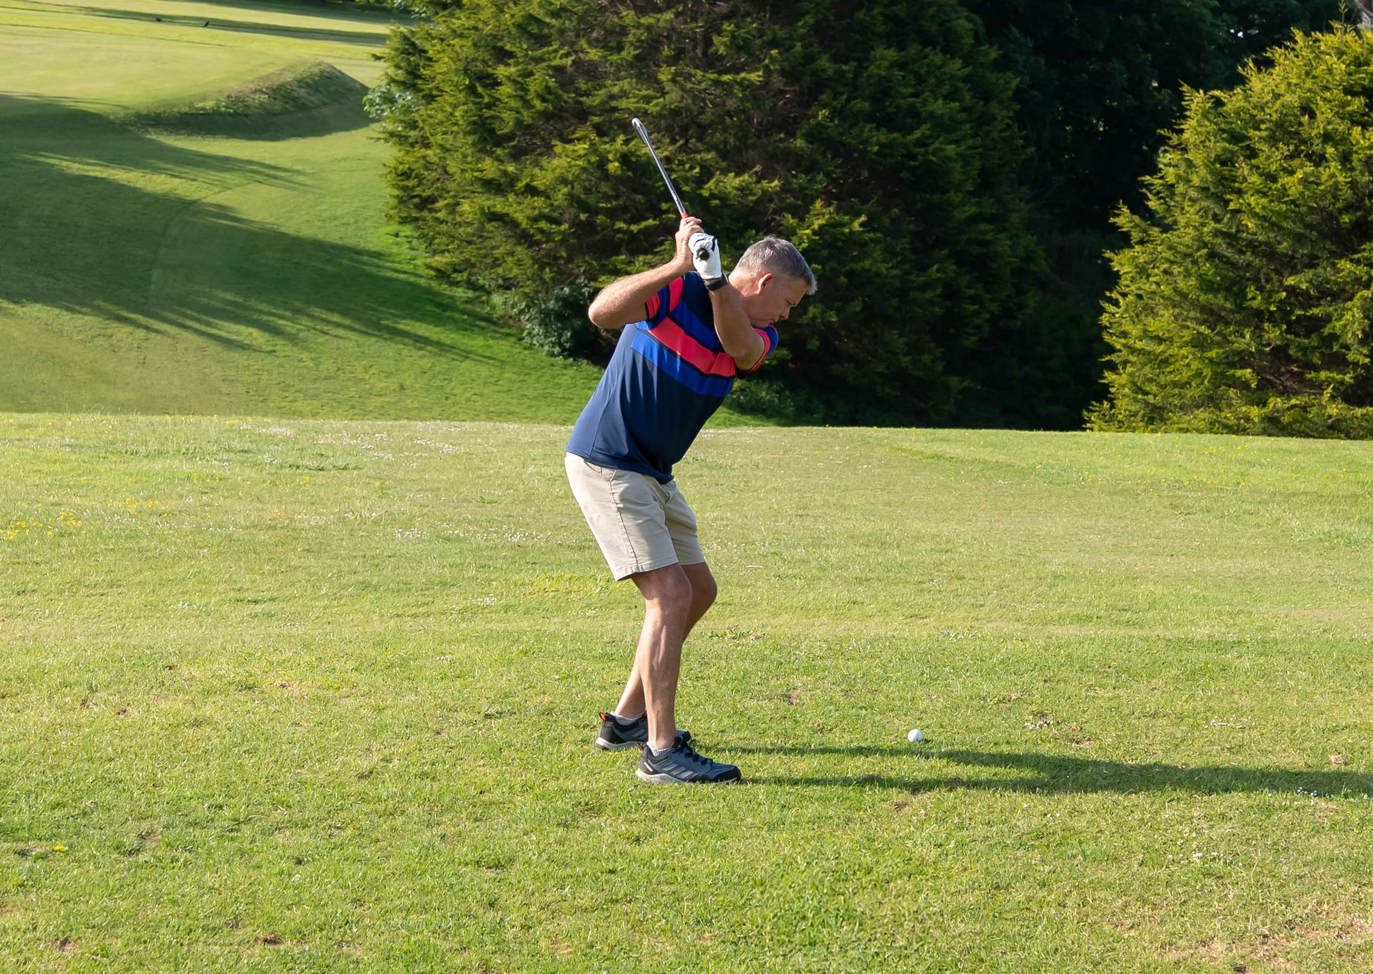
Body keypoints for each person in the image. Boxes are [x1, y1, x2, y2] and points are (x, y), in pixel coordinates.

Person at [565, 216, 816, 784]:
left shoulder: (756, 333)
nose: (788, 314)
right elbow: (601, 314)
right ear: (765, 281)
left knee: (698, 590)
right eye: (790, 300)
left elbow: (742, 349)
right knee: (669, 595)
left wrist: (716, 282)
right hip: (609, 461)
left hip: (654, 472)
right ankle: (659, 752)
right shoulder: (674, 294)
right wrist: (680, 266)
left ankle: (627, 719)